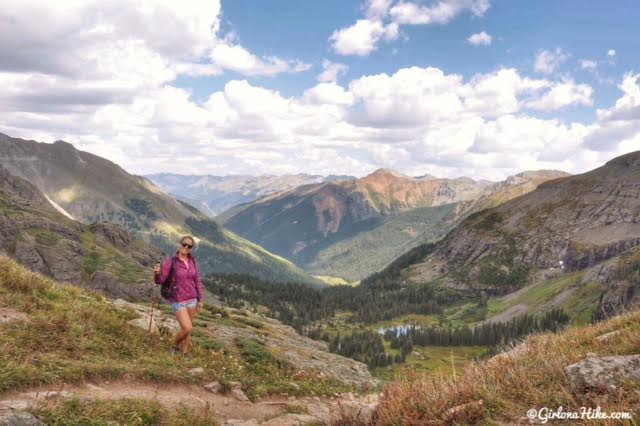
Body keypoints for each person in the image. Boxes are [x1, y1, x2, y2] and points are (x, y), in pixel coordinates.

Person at [154, 235, 204, 356]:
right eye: (184, 244)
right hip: (178, 299)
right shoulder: (171, 261)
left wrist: (200, 298)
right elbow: (160, 281)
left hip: (192, 298)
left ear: (192, 248)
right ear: (180, 244)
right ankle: (174, 346)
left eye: (189, 246)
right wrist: (156, 274)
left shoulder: (193, 261)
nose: (186, 247)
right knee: (187, 328)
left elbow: (197, 280)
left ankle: (185, 353)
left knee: (187, 331)